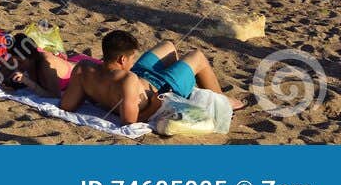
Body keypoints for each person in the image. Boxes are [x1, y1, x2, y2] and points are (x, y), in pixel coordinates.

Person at [61, 30, 241, 124]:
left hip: (140, 77)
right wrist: (155, 105)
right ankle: (221, 101)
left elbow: (67, 105)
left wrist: (95, 95)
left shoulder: (84, 68)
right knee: (198, 56)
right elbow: (129, 121)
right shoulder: (127, 80)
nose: (132, 61)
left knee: (169, 45)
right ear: (122, 58)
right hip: (163, 87)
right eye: (132, 58)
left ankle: (189, 85)